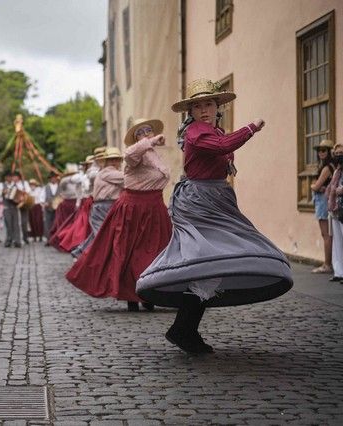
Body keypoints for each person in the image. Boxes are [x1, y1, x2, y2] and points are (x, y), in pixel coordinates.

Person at [136, 78, 293, 354]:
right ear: (192, 112)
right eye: (198, 106)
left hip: (216, 199)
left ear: (217, 106)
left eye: (208, 103)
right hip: (199, 202)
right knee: (206, 260)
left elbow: (223, 153)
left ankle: (184, 329)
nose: (204, 109)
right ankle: (183, 329)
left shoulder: (214, 130)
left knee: (210, 263)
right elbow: (222, 147)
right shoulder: (197, 132)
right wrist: (251, 127)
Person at [66, 131, 168, 312]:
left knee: (155, 251)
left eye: (149, 130)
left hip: (153, 208)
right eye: (141, 132)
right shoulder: (128, 158)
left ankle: (150, 291)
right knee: (128, 251)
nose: (146, 134)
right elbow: (130, 157)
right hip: (132, 208)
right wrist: (149, 140)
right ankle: (132, 294)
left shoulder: (152, 155)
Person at [71, 146, 129, 258]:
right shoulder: (107, 172)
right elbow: (127, 178)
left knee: (98, 234)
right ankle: (90, 257)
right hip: (103, 206)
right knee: (102, 237)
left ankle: (80, 252)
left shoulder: (106, 172)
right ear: (106, 161)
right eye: (112, 159)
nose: (114, 162)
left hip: (106, 206)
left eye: (116, 159)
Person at [310, 139, 335, 274]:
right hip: (322, 200)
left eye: (324, 150)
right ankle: (329, 263)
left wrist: (312, 186)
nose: (321, 153)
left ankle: (327, 264)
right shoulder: (328, 166)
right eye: (319, 150)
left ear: (329, 152)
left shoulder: (327, 167)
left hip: (323, 201)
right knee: (328, 234)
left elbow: (316, 185)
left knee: (326, 234)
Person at [48, 164, 80, 246]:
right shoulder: (64, 181)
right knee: (65, 224)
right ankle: (63, 242)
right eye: (72, 173)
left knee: (75, 224)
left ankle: (73, 242)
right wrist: (72, 177)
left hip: (76, 203)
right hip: (67, 204)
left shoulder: (78, 180)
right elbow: (64, 183)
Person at [326, 142, 343, 282]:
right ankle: (338, 272)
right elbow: (332, 186)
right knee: (337, 240)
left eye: (341, 153)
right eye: (336, 154)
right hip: (335, 208)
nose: (339, 156)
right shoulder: (337, 170)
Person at [42, 172, 60, 242]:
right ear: (50, 179)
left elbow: (62, 195)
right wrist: (44, 203)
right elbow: (42, 196)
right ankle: (49, 240)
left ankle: (56, 239)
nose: (53, 179)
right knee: (48, 224)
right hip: (48, 207)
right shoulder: (46, 187)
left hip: (58, 208)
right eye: (52, 178)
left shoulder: (60, 186)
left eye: (55, 178)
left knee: (57, 223)